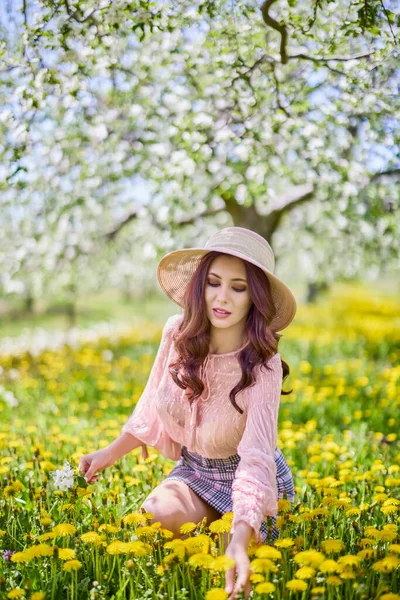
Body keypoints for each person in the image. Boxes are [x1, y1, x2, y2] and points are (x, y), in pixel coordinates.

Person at [79, 226, 297, 600]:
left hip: (249, 479)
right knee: (154, 517)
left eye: (238, 287)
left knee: (235, 569)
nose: (222, 297)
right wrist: (108, 453)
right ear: (201, 286)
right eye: (213, 282)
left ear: (254, 297)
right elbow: (152, 404)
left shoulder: (263, 366)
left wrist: (242, 534)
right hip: (196, 469)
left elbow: (257, 458)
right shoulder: (177, 334)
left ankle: (232, 538)